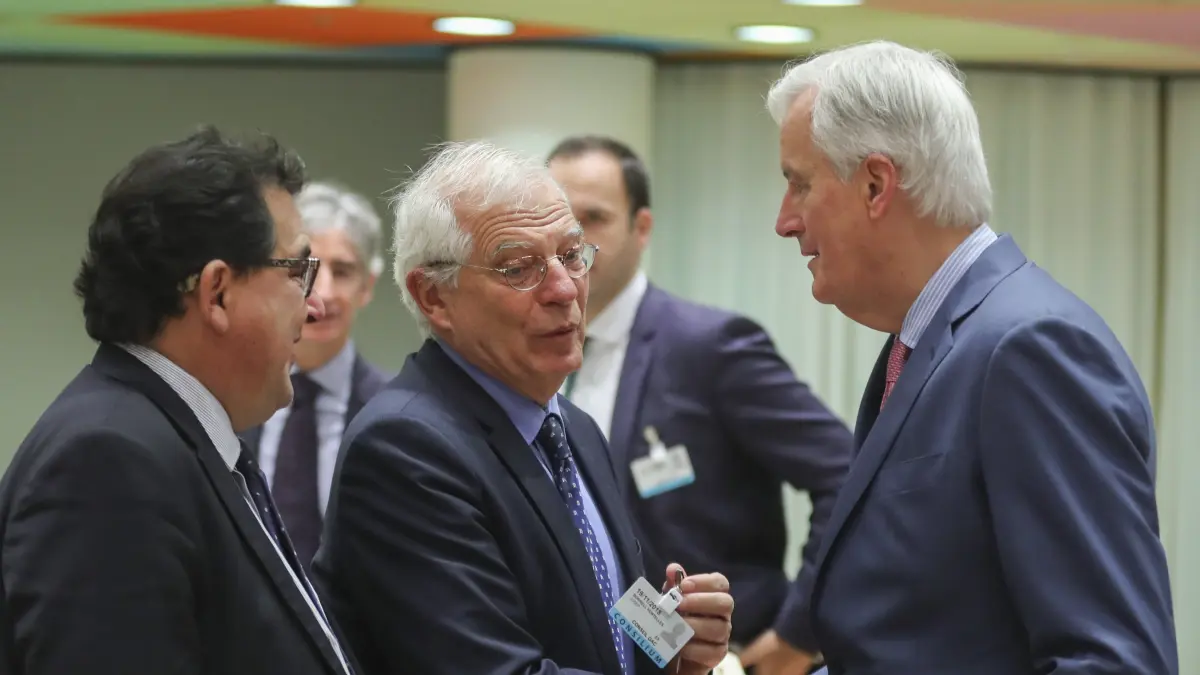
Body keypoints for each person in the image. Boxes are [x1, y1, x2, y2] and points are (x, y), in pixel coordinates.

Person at [767, 41, 1177, 674]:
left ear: (876, 184)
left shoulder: (1030, 349)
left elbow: (1113, 661)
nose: (785, 221)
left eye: (799, 184)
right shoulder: (926, 342)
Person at [312, 140, 734, 675]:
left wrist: (674, 644)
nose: (564, 289)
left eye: (572, 254)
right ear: (434, 297)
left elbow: (611, 606)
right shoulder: (404, 448)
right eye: (518, 268)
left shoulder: (572, 427)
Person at [0, 127, 357, 675]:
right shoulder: (109, 461)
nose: (312, 308)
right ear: (217, 293)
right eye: (297, 272)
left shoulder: (175, 437)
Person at [547, 135, 853, 674]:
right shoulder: (542, 355)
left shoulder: (709, 347)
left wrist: (798, 632)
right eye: (559, 223)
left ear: (642, 228)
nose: (574, 241)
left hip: (733, 656)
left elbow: (846, 473)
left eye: (593, 219)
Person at [241, 180, 390, 571]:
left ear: (367, 287)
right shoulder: (233, 401)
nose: (323, 292)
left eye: (342, 271)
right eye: (308, 270)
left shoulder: (394, 413)